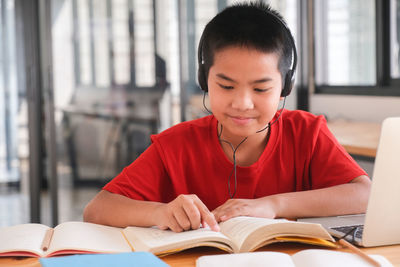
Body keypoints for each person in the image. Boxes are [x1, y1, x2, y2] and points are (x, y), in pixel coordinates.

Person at [83, 2, 371, 233]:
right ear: (204, 79)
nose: (242, 103)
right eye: (226, 85)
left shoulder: (307, 133)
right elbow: (97, 209)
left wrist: (273, 205)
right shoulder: (176, 144)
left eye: (260, 88)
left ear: (285, 86)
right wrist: (160, 211)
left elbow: (365, 195)